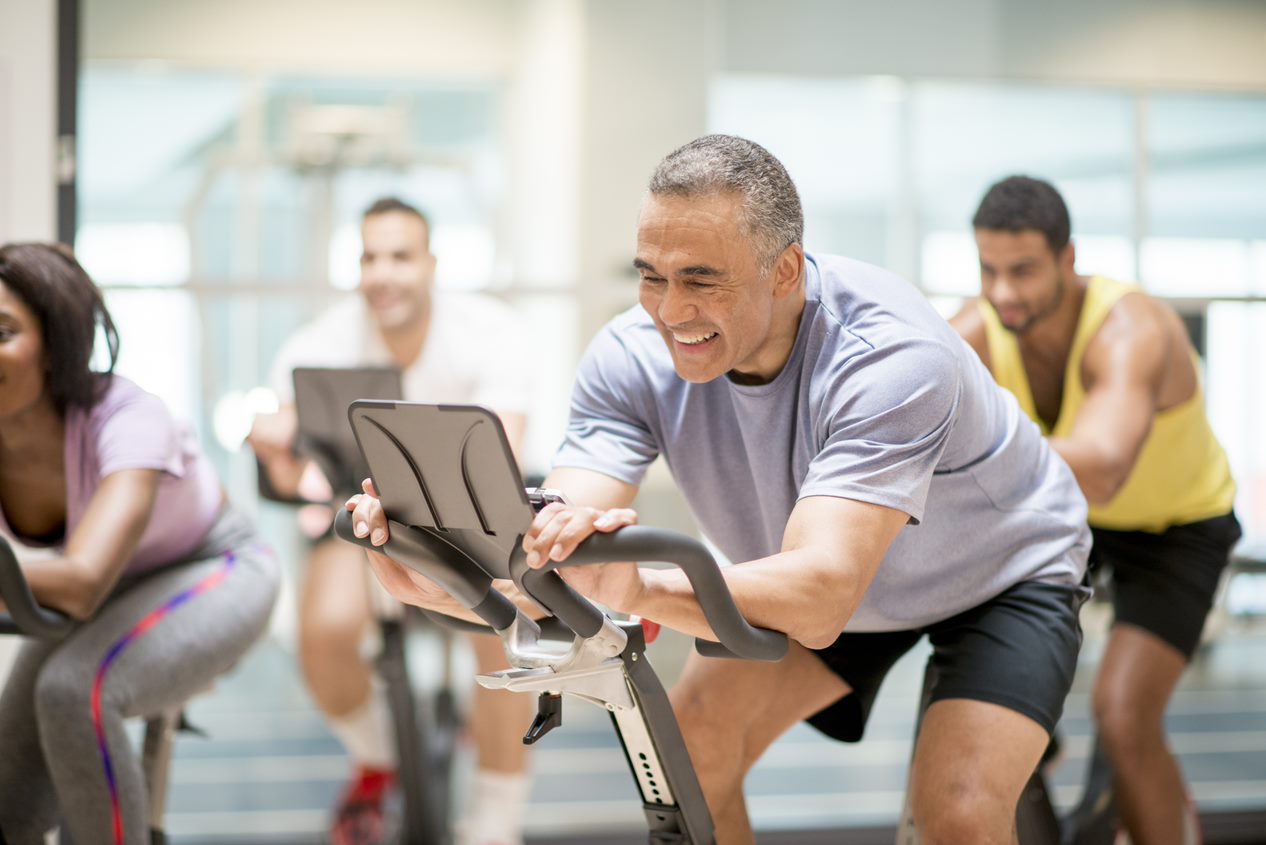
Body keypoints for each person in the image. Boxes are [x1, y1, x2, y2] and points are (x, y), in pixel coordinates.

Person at [347, 135, 1093, 844]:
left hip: (1000, 573)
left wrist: (635, 588)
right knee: (692, 763)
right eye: (651, 274)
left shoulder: (890, 355)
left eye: (702, 279)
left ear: (786, 271)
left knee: (958, 816)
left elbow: (825, 591)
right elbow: (560, 538)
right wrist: (457, 575)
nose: (670, 311)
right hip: (813, 571)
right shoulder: (630, 357)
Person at [951, 175, 1240, 845]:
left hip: (1178, 527)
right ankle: (1036, 747)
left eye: (1022, 270)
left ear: (1068, 259)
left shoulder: (1130, 329)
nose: (1003, 292)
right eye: (988, 270)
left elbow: (1105, 467)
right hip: (1064, 518)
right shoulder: (976, 328)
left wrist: (971, 448)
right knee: (984, 687)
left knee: (1122, 712)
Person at [248, 197, 536, 845]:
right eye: (369, 257)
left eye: (400, 256)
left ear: (431, 263)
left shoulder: (491, 331)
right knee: (321, 629)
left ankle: (496, 822)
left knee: (502, 638)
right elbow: (298, 478)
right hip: (358, 512)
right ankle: (377, 758)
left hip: (465, 513)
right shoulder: (315, 343)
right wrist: (277, 451)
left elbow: (504, 452)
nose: (383, 273)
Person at [0, 242, 280, 844]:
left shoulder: (126, 416)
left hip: (219, 565)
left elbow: (79, 584)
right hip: (119, 589)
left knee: (74, 689)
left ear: (55, 345)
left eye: (3, 331)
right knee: (8, 801)